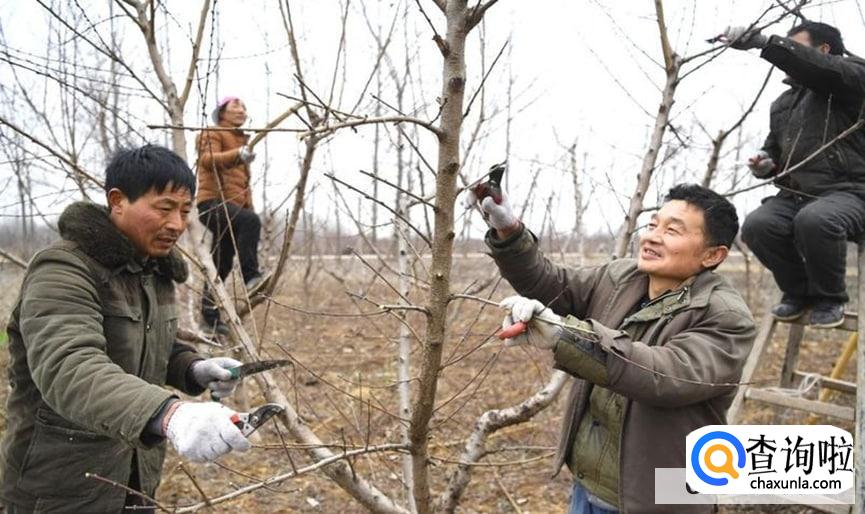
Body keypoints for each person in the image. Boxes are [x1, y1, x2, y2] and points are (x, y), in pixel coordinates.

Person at [466, 184, 756, 513]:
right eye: (652, 225)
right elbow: (552, 284)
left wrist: (566, 336)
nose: (652, 237)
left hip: (661, 501)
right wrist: (508, 230)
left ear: (712, 255)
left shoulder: (726, 317)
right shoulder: (622, 277)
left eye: (672, 230)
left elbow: (663, 374)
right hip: (588, 487)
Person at [1, 145, 251, 513]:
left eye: (185, 211)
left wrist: (194, 368)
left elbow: (149, 347)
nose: (177, 225)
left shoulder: (154, 271)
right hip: (60, 488)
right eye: (164, 208)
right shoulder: (63, 270)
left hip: (135, 477)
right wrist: (170, 414)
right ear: (117, 201)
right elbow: (70, 368)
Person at [722, 22, 865, 328]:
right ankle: (799, 293)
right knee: (758, 225)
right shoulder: (783, 104)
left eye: (795, 46)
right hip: (795, 194)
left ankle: (830, 298)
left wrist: (765, 43)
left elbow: (826, 72)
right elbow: (774, 150)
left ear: (824, 50)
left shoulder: (851, 76)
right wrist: (765, 163)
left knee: (815, 220)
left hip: (850, 192)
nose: (789, 54)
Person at [196, 96, 265, 336]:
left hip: (232, 210)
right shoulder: (212, 133)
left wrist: (250, 216)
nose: (242, 110)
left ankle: (210, 318)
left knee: (221, 264)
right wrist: (238, 154)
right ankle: (251, 278)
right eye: (236, 105)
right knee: (250, 221)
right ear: (222, 111)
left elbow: (243, 189)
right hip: (212, 204)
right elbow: (206, 161)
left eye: (244, 106)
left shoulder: (240, 141)